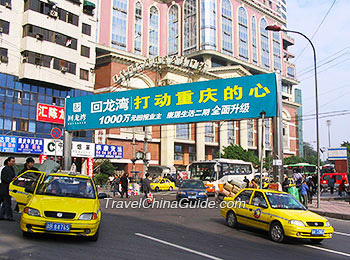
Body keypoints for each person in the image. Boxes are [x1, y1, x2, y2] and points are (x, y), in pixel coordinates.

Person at [0, 157, 16, 221]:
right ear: (8, 162)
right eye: (12, 161)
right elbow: (4, 178)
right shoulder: (6, 169)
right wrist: (11, 179)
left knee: (5, 203)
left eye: (14, 161)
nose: (13, 163)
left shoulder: (11, 168)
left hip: (8, 189)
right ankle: (9, 217)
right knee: (7, 204)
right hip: (4, 189)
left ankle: (1, 215)